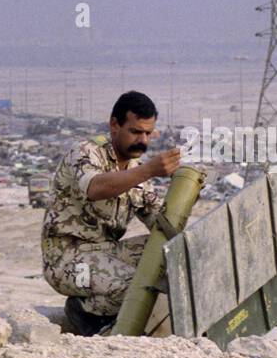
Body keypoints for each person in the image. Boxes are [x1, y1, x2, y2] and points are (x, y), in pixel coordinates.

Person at [41, 91, 181, 335]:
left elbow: (160, 223)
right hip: (67, 261)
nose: (143, 141)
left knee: (169, 256)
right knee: (136, 288)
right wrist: (148, 171)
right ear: (114, 125)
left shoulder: (137, 172)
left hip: (106, 252)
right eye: (136, 132)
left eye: (148, 133)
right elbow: (96, 187)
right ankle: (86, 314)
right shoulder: (85, 153)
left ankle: (93, 306)